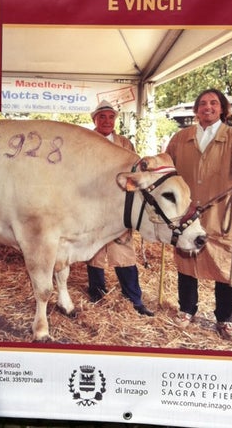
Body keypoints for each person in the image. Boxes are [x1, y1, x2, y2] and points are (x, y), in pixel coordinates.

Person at [165, 89, 232, 340]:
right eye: (202, 103)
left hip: (222, 216)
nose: (207, 107)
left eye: (213, 103)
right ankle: (187, 310)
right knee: (187, 263)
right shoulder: (181, 138)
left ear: (222, 109)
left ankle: (225, 318)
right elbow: (166, 168)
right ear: (196, 110)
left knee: (225, 266)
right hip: (188, 215)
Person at [86, 100, 154, 317]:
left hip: (119, 203)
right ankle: (97, 293)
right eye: (102, 116)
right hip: (93, 201)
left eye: (111, 116)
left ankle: (133, 298)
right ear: (94, 119)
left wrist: (134, 193)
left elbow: (133, 171)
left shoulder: (125, 143)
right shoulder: (86, 141)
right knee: (94, 248)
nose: (107, 121)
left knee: (123, 249)